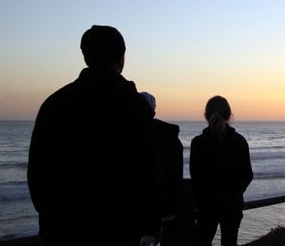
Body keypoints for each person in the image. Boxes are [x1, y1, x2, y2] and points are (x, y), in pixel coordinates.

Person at [27, 25, 159, 246]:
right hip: (120, 228)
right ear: (122, 57)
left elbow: (38, 173)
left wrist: (52, 219)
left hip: (63, 228)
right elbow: (148, 171)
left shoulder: (54, 104)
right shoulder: (133, 106)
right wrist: (151, 225)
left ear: (85, 56)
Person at [190, 95, 253, 246]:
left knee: (202, 241)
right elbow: (247, 174)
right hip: (232, 204)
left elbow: (196, 177)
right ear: (229, 115)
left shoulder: (198, 143)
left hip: (207, 205)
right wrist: (236, 192)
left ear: (206, 115)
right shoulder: (239, 141)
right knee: (230, 242)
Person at [141, 92, 184, 246]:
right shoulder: (171, 137)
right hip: (168, 206)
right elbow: (176, 173)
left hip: (140, 209)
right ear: (154, 112)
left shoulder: (125, 137)